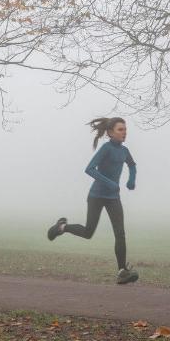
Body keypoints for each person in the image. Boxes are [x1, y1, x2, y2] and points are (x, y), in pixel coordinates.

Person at [46, 117, 139, 284]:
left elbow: (132, 165)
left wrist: (131, 179)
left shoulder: (124, 151)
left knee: (120, 233)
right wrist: (110, 183)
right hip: (96, 196)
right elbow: (89, 169)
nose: (124, 132)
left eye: (125, 129)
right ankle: (62, 227)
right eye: (120, 129)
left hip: (113, 198)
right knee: (88, 232)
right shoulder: (106, 148)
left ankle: (122, 272)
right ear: (110, 133)